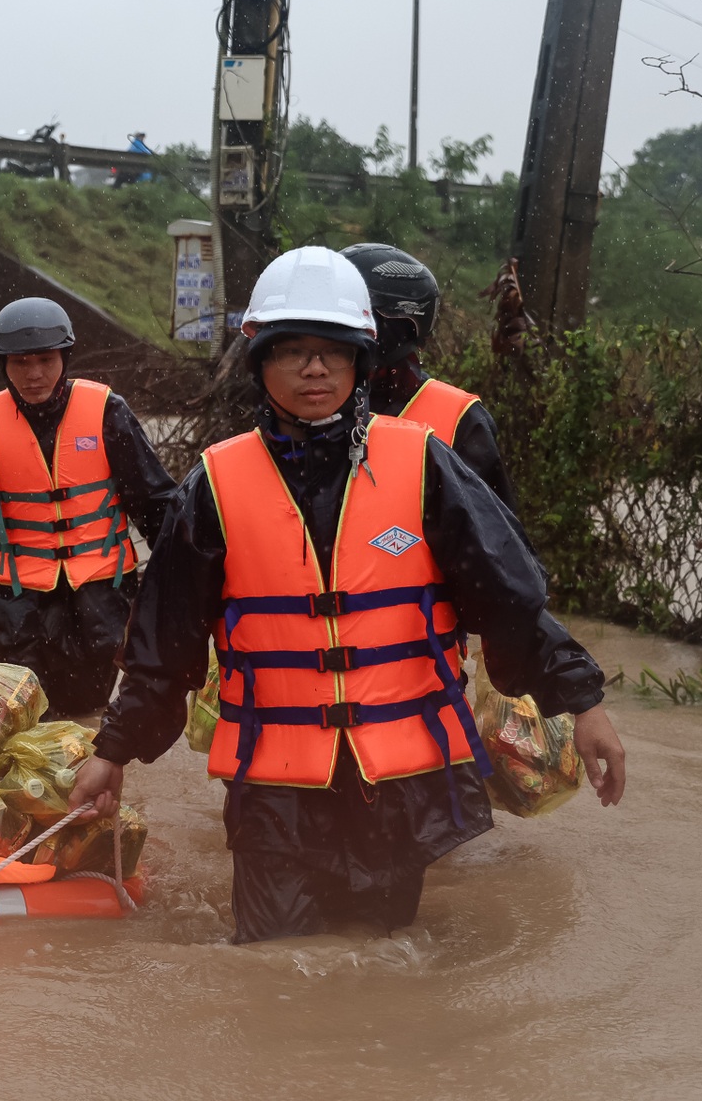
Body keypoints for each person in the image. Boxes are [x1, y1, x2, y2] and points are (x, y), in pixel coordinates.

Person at [72, 246, 627, 944]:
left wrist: (586, 705)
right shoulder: (212, 487)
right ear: (261, 363)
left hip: (397, 786)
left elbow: (509, 603)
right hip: (274, 793)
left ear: (361, 361)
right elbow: (163, 648)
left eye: (333, 351)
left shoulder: (424, 464)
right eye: (293, 351)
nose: (314, 368)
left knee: (382, 965)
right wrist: (112, 753)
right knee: (274, 967)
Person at [0, 298, 177, 714]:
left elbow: (156, 507)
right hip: (17, 608)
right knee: (24, 722)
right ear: (3, 365)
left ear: (65, 358)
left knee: (87, 720)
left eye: (45, 359)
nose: (34, 374)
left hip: (100, 600)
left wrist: (163, 604)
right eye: (20, 362)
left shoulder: (107, 413)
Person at [341, 243, 518, 510]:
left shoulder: (458, 418)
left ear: (395, 324)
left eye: (352, 319)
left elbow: (493, 539)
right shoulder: (314, 398)